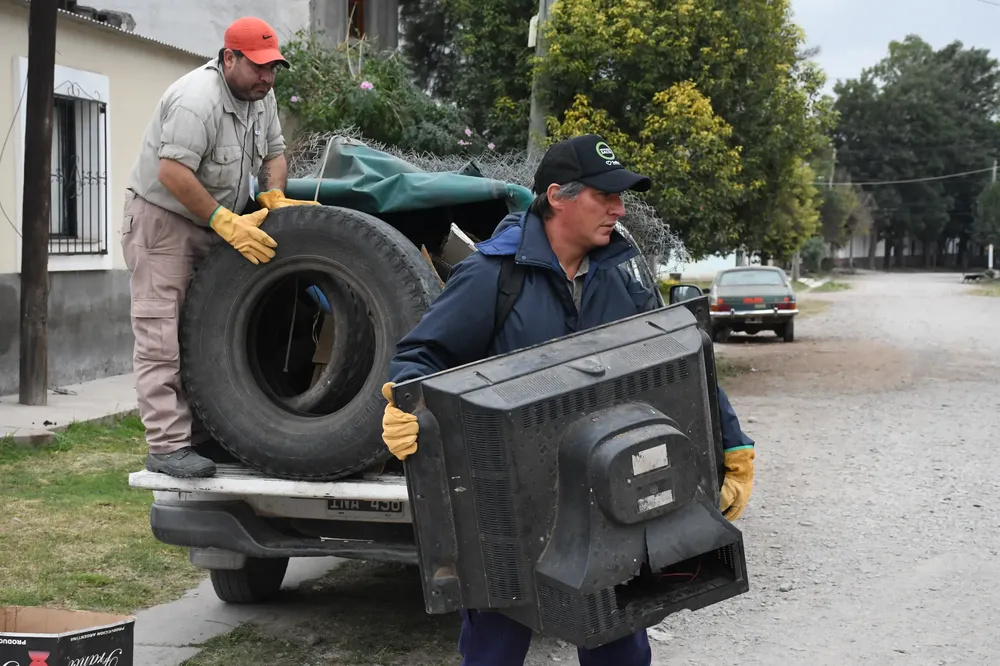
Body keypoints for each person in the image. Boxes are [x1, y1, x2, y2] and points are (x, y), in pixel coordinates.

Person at [379, 133, 756, 666]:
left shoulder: (622, 276)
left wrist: (732, 444)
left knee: (619, 646)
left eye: (620, 197)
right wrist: (403, 406)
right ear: (558, 196)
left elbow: (683, 359)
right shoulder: (494, 276)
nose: (619, 209)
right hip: (510, 510)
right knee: (494, 651)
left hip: (607, 502)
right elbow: (421, 356)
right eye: (605, 196)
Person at [122, 16, 317, 478]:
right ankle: (167, 447)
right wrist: (220, 219)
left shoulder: (260, 97)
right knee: (161, 336)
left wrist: (273, 193)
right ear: (229, 58)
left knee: (208, 329)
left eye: (274, 68)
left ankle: (204, 438)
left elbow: (275, 152)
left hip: (216, 223)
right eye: (258, 67)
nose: (268, 78)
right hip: (163, 222)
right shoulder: (196, 101)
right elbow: (172, 173)